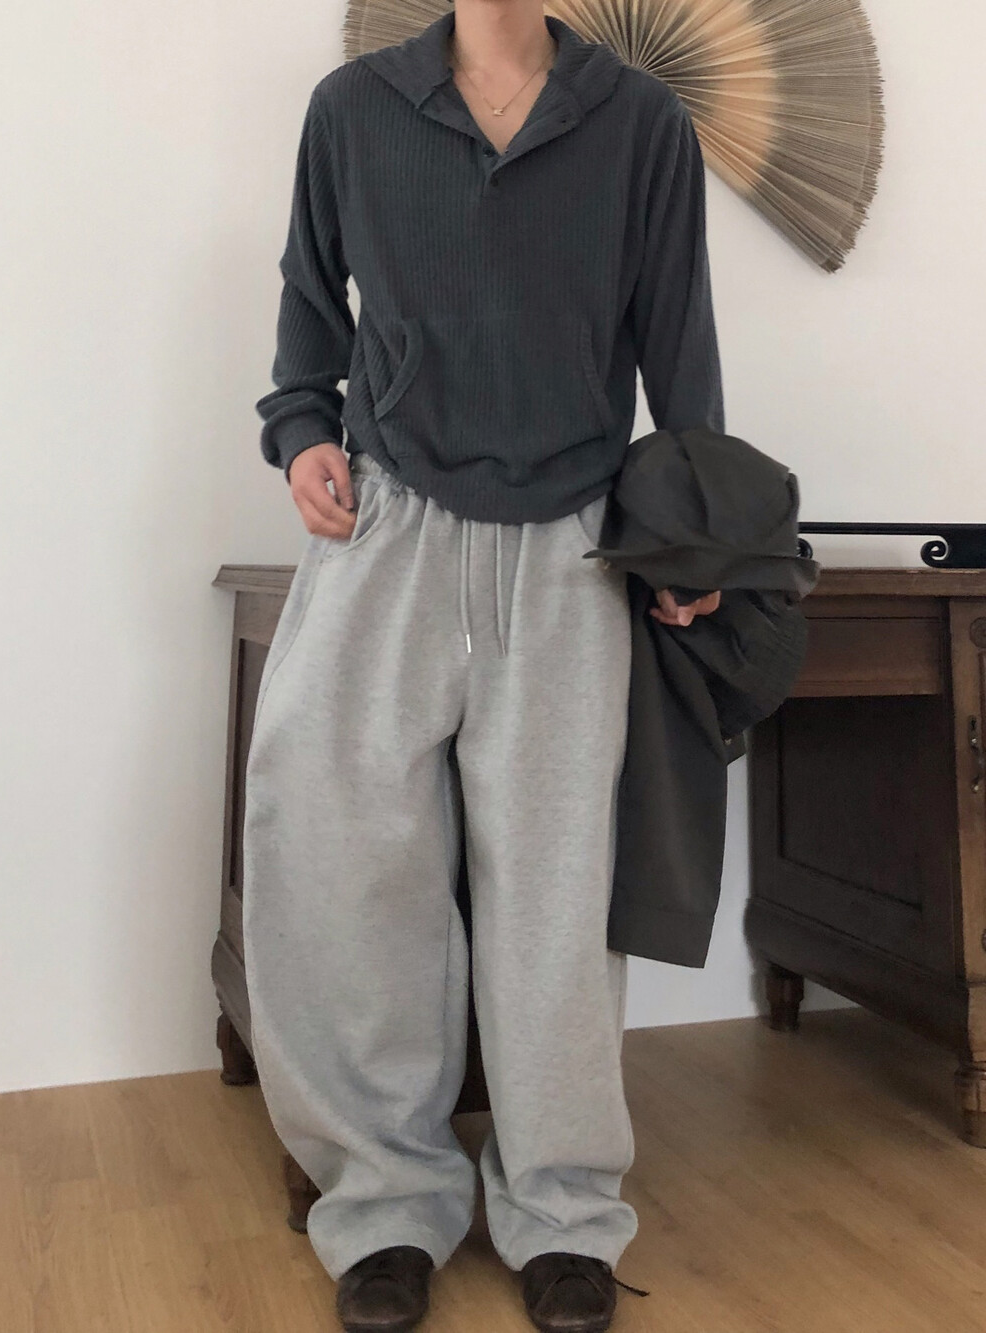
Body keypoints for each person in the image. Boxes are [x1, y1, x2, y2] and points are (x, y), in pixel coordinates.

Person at [243, 3, 724, 1330]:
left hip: (573, 543)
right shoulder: (354, 112)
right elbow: (307, 307)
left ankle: (563, 1208)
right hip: (386, 521)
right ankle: (385, 1201)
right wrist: (302, 432)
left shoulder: (642, 124)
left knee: (558, 889)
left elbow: (679, 337)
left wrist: (692, 527)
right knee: (343, 864)